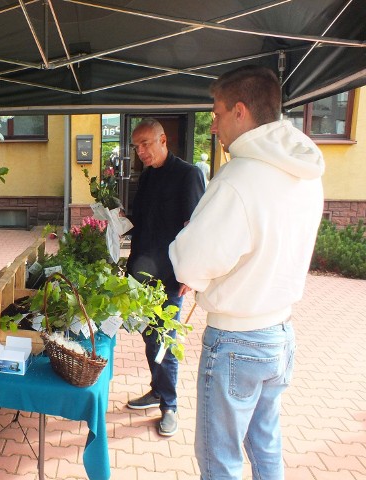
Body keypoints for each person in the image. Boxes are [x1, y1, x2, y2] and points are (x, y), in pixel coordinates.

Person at [169, 65, 324, 479]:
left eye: (217, 112)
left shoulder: (240, 177)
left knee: (220, 459)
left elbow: (191, 263)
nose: (213, 124)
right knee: (266, 446)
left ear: (240, 111)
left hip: (236, 339)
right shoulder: (305, 173)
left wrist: (192, 241)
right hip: (279, 334)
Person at [125, 118, 205, 436]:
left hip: (172, 277)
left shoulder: (188, 174)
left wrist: (193, 273)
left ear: (162, 140)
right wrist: (118, 220)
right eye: (136, 146)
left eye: (145, 144)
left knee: (165, 342)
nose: (140, 151)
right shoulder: (146, 177)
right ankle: (157, 390)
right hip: (143, 274)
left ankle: (169, 406)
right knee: (149, 336)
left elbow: (197, 228)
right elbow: (140, 219)